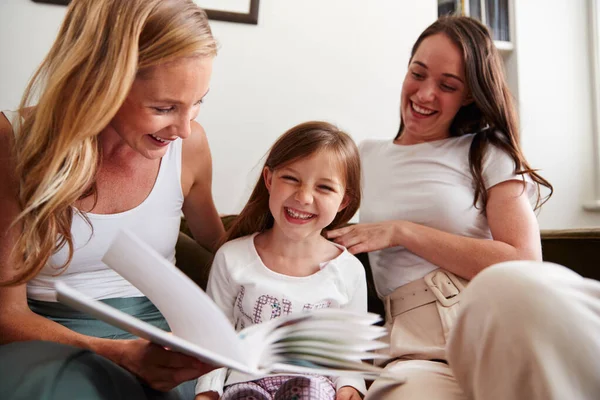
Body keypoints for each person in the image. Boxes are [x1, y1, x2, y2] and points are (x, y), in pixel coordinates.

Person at [327, 16, 600, 400]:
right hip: (417, 351)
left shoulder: (488, 151)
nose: (424, 94)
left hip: (499, 326)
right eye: (417, 74)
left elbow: (523, 261)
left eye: (447, 85)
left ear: (469, 94)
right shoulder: (364, 157)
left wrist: (402, 231)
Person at [0, 0, 225, 398]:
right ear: (100, 82)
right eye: (163, 107)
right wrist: (117, 353)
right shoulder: (13, 142)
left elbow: (219, 245)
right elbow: (7, 316)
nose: (185, 129)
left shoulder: (190, 147)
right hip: (49, 339)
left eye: (199, 102)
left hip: (162, 342)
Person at [194, 121, 366, 400]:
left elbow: (349, 353)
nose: (304, 197)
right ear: (269, 179)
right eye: (291, 179)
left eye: (324, 187)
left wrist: (350, 387)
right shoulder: (232, 257)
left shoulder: (349, 271)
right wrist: (208, 390)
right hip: (245, 382)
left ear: (343, 201)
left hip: (312, 385)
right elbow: (215, 337)